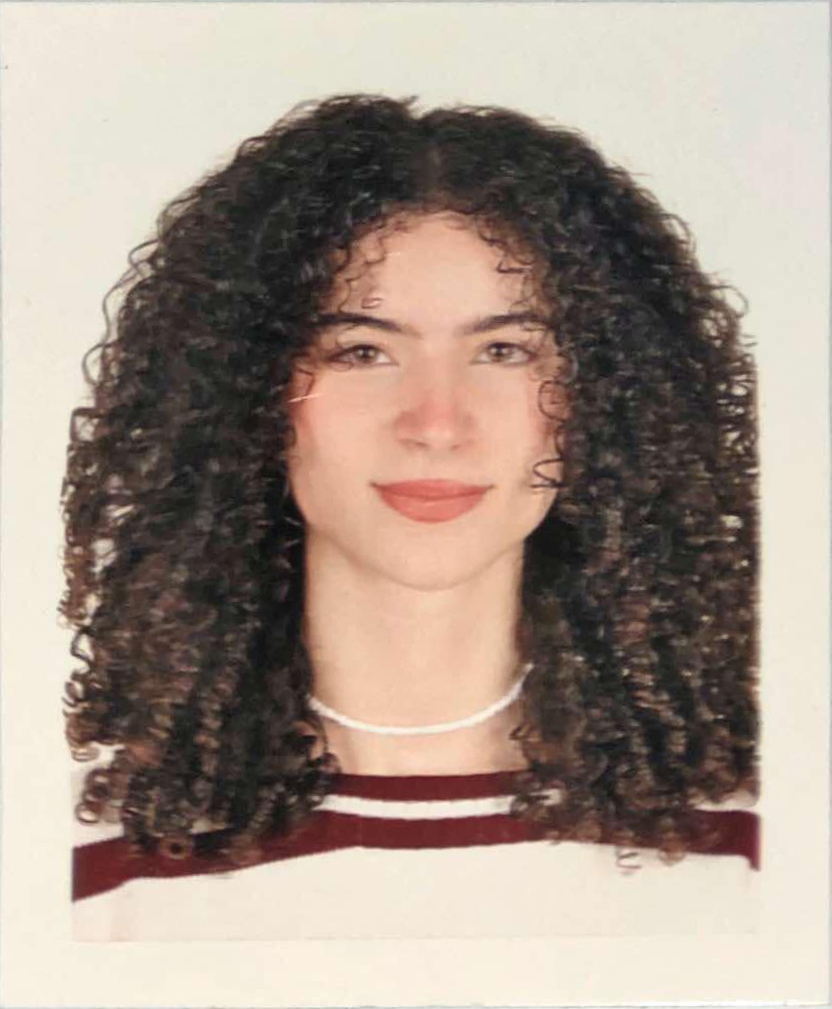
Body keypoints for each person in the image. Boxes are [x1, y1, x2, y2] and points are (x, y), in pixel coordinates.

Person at [63, 94, 760, 940]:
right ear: (248, 395)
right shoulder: (85, 874)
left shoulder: (749, 855)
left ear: (606, 400)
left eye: (504, 350)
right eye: (363, 350)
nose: (436, 422)